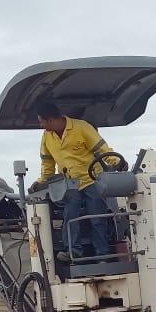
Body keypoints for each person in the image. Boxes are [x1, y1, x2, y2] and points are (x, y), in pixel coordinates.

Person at [28, 101, 127, 263]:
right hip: (69, 185)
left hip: (91, 180)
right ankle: (74, 254)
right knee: (70, 217)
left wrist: (117, 162)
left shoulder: (82, 128)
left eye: (42, 121)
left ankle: (102, 255)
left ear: (50, 119)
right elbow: (47, 163)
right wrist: (42, 181)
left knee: (97, 218)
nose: (41, 125)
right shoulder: (47, 137)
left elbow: (103, 149)